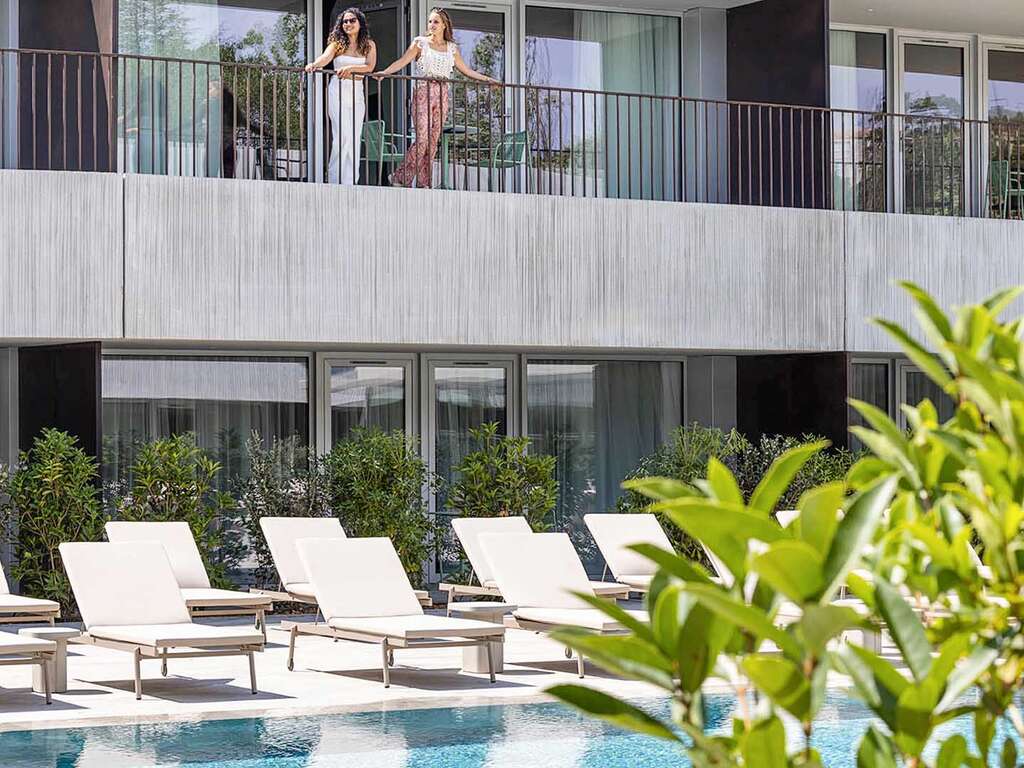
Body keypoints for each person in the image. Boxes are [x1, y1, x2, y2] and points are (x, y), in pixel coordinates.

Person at [374, 8, 498, 188]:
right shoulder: (420, 43)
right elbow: (402, 61)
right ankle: (400, 177)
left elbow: (467, 71)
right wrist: (385, 73)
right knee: (422, 139)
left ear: (444, 25)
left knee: (432, 142)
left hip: (442, 94)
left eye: (436, 22)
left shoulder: (451, 49)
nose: (432, 25)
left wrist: (487, 79)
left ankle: (424, 182)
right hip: (423, 92)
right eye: (430, 21)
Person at [306, 8, 377, 185]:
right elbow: (325, 58)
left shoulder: (369, 45)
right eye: (345, 21)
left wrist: (350, 69)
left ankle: (350, 181)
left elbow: (369, 67)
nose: (348, 24)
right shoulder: (337, 43)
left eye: (352, 20)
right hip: (338, 91)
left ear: (360, 23)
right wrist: (314, 64)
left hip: (357, 93)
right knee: (341, 136)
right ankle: (335, 179)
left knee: (354, 137)